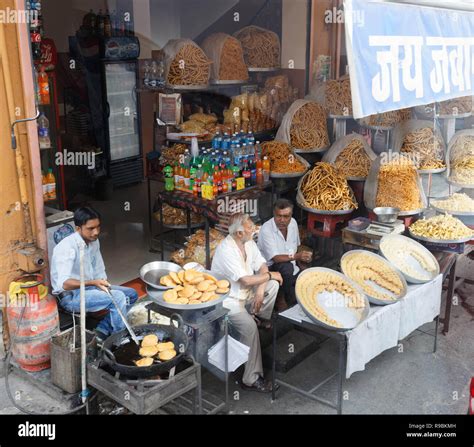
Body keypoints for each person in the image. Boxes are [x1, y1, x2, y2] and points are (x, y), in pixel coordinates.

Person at [212, 213, 282, 393]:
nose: (254, 229)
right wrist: (268, 276)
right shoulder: (226, 250)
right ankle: (250, 379)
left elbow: (262, 265)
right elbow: (245, 280)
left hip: (248, 294)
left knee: (271, 286)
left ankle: (258, 315)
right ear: (239, 233)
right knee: (250, 328)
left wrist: (261, 288)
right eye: (251, 228)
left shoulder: (248, 242)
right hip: (229, 301)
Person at [51, 206, 138, 340]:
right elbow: (64, 284)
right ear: (78, 228)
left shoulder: (93, 241)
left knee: (131, 294)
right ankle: (120, 338)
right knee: (119, 297)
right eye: (91, 228)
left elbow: (98, 269)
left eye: (98, 227)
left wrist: (102, 284)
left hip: (89, 287)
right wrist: (92, 283)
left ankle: (102, 329)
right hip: (70, 296)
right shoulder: (66, 248)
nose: (96, 232)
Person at [257, 199, 312, 307]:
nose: (282, 220)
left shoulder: (293, 223)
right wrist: (297, 256)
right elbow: (276, 258)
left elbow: (297, 246)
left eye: (286, 216)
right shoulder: (266, 229)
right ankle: (280, 297)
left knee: (299, 298)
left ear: (291, 215)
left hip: (290, 263)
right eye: (278, 216)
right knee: (287, 268)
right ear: (274, 214)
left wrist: (302, 265)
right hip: (269, 267)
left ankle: (289, 291)